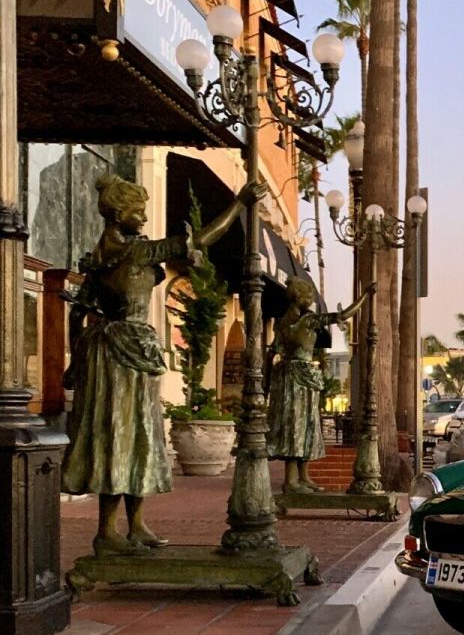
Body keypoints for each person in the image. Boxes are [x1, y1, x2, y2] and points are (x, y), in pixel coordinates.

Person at [62, 173, 259, 556]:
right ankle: (107, 532)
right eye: (137, 210)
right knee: (118, 436)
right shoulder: (131, 253)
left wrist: (75, 358)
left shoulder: (104, 258)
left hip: (121, 353)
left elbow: (78, 313)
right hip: (119, 355)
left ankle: (135, 525)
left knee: (139, 436)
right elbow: (200, 239)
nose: (144, 217)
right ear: (118, 214)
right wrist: (239, 203)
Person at [267, 275, 370, 493]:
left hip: (289, 376)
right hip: (299, 377)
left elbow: (272, 352)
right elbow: (343, 315)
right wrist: (366, 296)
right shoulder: (307, 320)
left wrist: (267, 380)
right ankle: (292, 481)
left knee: (301, 425)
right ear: (300, 297)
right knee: (299, 425)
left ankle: (303, 476)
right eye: (308, 296)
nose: (311, 300)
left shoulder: (282, 322)